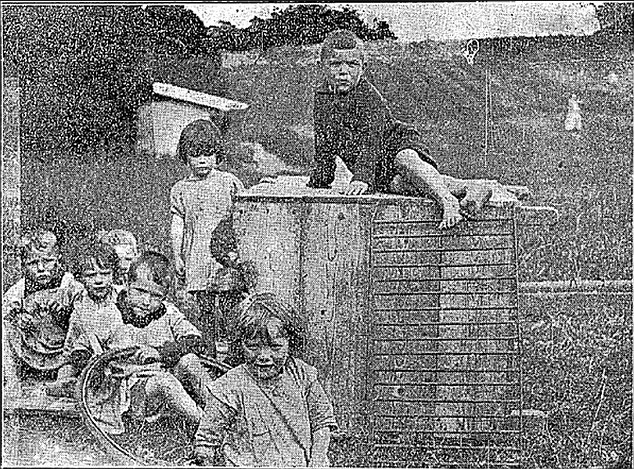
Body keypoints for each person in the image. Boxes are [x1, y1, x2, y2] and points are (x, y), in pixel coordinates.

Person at [308, 29, 493, 229]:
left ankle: (448, 202)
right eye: (335, 64)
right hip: (380, 168)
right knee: (404, 185)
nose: (344, 72)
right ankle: (471, 188)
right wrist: (321, 178)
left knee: (406, 161)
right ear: (322, 67)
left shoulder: (368, 96)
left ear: (363, 67)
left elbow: (372, 140)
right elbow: (323, 141)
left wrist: (361, 177)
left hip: (395, 144)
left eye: (352, 64)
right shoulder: (322, 98)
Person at [71, 251, 211, 434]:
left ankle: (220, 408)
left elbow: (196, 340)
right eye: (140, 291)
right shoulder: (109, 315)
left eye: (156, 296)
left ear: (164, 297)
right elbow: (79, 350)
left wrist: (160, 352)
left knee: (190, 361)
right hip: (131, 394)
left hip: (164, 382)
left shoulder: (168, 313)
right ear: (127, 286)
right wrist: (97, 366)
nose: (146, 302)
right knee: (165, 382)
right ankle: (209, 427)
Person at [194, 292, 337, 467]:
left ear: (290, 343)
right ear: (241, 344)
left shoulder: (303, 375)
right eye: (253, 346)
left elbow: (322, 421)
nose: (263, 356)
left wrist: (318, 458)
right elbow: (206, 441)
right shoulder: (229, 387)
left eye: (275, 347)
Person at [170, 119, 245, 357]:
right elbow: (177, 224)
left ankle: (235, 353)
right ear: (185, 156)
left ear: (217, 154)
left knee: (230, 304)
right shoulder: (181, 189)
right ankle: (208, 353)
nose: (203, 160)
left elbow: (243, 216)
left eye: (208, 154)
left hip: (225, 257)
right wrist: (177, 256)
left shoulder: (228, 182)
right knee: (204, 308)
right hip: (198, 257)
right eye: (195, 154)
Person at [2, 230, 82, 395]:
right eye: (33, 263)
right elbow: (7, 311)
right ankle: (13, 381)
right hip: (32, 350)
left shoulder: (69, 285)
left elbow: (82, 314)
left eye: (47, 261)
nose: (40, 268)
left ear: (58, 260)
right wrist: (18, 318)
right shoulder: (18, 290)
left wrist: (66, 314)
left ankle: (63, 383)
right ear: (24, 264)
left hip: (63, 350)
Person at [47, 242, 124, 397]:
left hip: (117, 359)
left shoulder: (121, 300)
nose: (98, 280)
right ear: (80, 278)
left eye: (105, 273)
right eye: (91, 275)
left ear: (114, 274)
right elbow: (69, 351)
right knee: (67, 371)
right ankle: (71, 385)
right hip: (84, 360)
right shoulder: (79, 307)